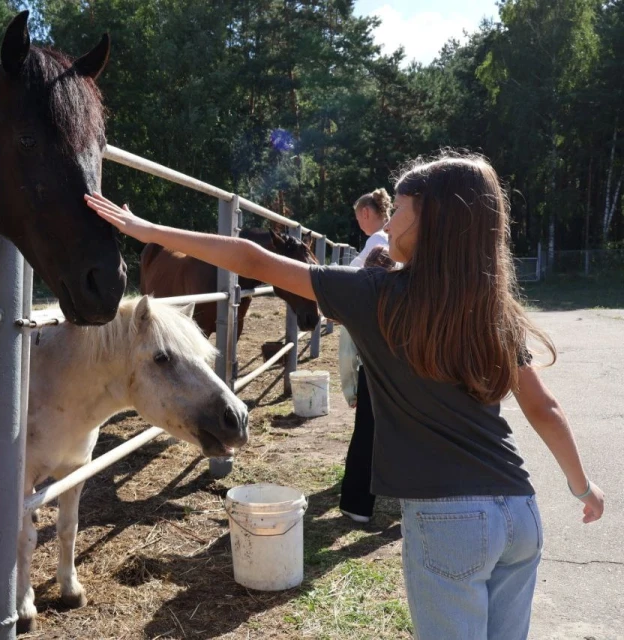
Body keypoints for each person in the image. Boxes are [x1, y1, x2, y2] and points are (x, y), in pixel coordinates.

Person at [85, 151, 604, 640]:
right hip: (520, 512)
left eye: (398, 210)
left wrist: (148, 231)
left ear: (431, 223)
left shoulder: (376, 296)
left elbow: (253, 259)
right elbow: (545, 408)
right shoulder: (494, 308)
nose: (388, 223)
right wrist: (582, 488)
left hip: (450, 521)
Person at [338, 244, 395, 524]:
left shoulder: (357, 303)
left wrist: (351, 391)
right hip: (402, 376)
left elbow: (347, 353)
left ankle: (356, 505)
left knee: (364, 438)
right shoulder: (404, 297)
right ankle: (408, 501)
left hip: (370, 374)